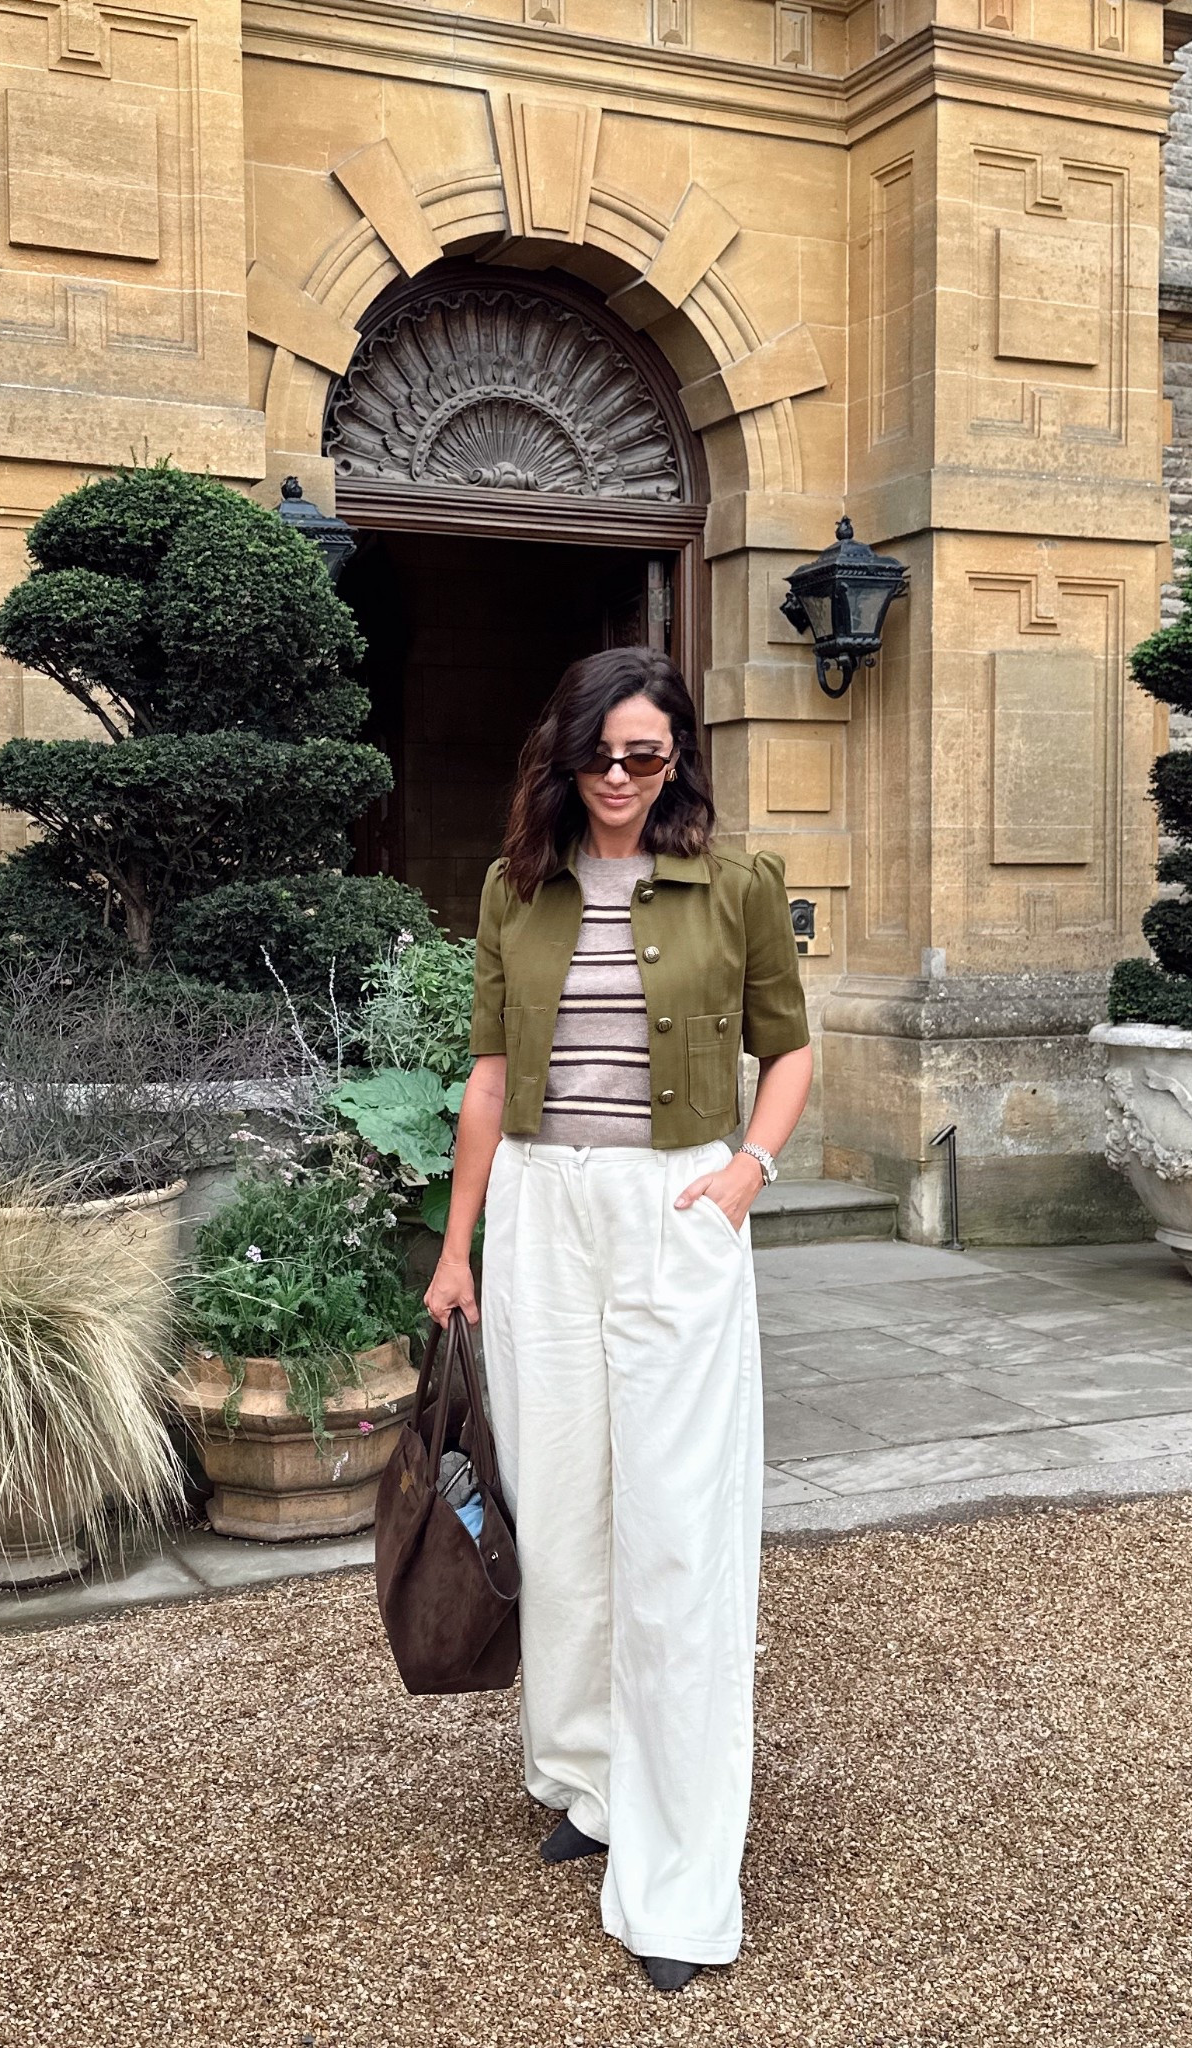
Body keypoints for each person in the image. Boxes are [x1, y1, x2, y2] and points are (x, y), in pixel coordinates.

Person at [424, 644, 812, 1993]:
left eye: (645, 754)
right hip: (539, 1211)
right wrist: (458, 1247)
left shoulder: (737, 885)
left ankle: (683, 1882)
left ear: (677, 757)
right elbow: (488, 1076)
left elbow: (789, 1048)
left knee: (677, 1535)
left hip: (674, 1206)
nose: (620, 777)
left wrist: (748, 1172)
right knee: (563, 1515)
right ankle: (590, 1781)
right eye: (600, 753)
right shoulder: (515, 888)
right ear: (565, 752)